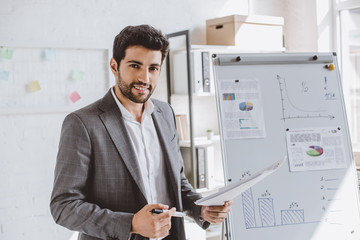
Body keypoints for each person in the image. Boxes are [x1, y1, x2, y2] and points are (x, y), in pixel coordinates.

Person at [50, 24, 233, 240]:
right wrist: (131, 224)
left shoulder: (165, 113)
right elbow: (64, 206)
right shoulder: (82, 123)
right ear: (114, 66)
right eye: (135, 66)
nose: (144, 78)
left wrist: (201, 208)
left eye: (153, 68)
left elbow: (178, 184)